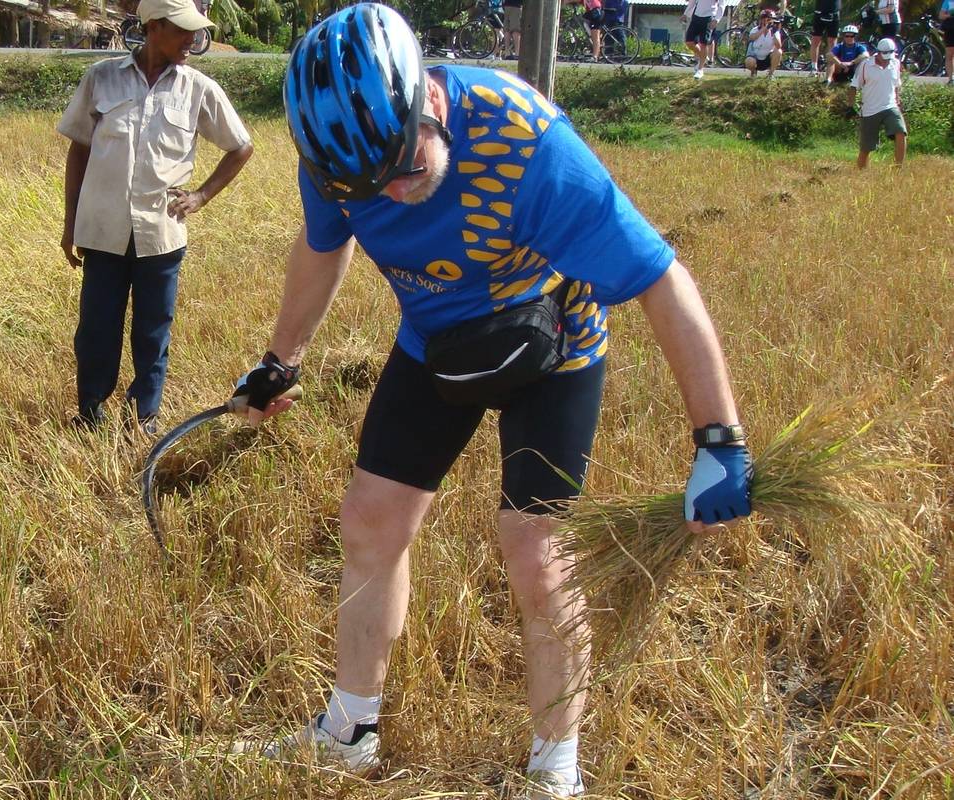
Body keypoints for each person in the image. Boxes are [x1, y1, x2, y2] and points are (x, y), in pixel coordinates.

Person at [228, 5, 753, 798]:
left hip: (551, 347)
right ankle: (350, 731)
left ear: (430, 101)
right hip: (435, 341)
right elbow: (321, 247)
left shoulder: (529, 148)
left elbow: (660, 280)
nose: (395, 195)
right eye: (371, 186)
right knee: (371, 521)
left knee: (536, 554)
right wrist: (280, 362)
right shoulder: (339, 155)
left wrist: (719, 437)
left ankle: (555, 769)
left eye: (404, 167)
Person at [57, 0, 254, 433]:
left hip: (161, 236)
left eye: (196, 32)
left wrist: (201, 195)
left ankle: (143, 418)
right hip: (104, 232)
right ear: (154, 27)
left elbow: (241, 146)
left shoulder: (198, 88)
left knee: (152, 334)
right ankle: (89, 413)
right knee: (95, 331)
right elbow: (80, 149)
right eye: (183, 30)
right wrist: (71, 224)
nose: (193, 40)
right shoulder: (101, 78)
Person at [853, 38, 907, 167]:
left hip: (890, 106)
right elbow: (853, 86)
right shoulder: (865, 65)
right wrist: (850, 106)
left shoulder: (896, 63)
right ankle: (861, 173)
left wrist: (898, 101)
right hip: (870, 110)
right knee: (866, 147)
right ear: (878, 52)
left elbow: (896, 85)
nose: (887, 59)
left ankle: (898, 167)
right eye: (885, 55)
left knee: (901, 132)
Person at [682, 0, 727, 77]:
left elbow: (722, 5)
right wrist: (685, 14)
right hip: (696, 16)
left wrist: (716, 20)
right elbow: (693, 1)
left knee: (703, 44)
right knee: (689, 42)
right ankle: (703, 57)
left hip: (709, 17)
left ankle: (700, 69)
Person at [745, 9, 785, 76]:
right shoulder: (755, 30)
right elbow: (752, 38)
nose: (766, 21)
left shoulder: (774, 31)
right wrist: (764, 28)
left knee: (779, 51)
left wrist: (775, 32)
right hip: (755, 58)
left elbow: (778, 46)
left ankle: (770, 74)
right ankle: (753, 72)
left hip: (767, 59)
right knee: (749, 61)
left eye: (769, 19)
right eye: (764, 19)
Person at [809, 0, 843, 73]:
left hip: (834, 12)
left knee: (832, 42)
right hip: (819, 12)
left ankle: (830, 70)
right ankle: (813, 68)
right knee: (815, 40)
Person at [941, 0, 954, 85]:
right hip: (950, 29)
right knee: (949, 55)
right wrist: (950, 15)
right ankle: (951, 79)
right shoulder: (948, 2)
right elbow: (941, 15)